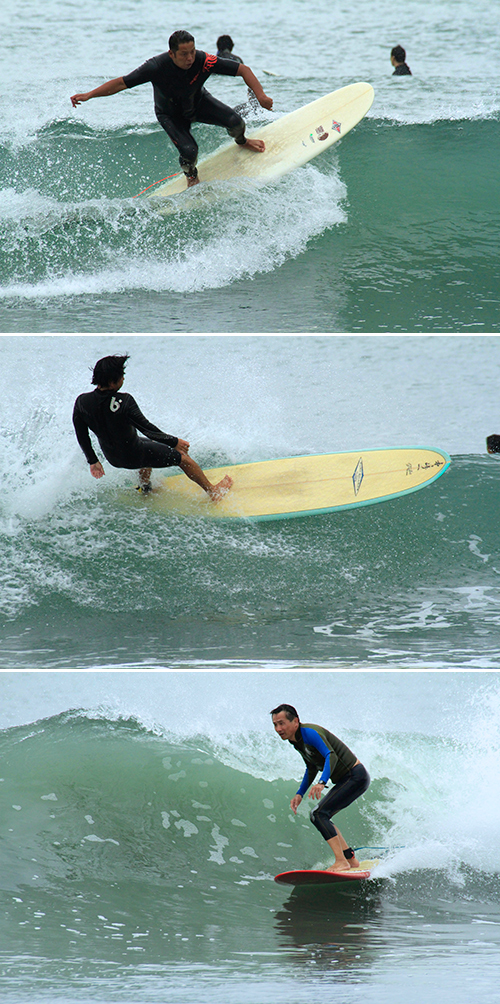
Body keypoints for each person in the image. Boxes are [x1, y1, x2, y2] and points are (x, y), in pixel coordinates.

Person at [70, 29, 273, 187]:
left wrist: (260, 95)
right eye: (184, 54)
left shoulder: (203, 60)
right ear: (172, 53)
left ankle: (242, 141)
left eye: (192, 52)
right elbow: (122, 83)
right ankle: (191, 175)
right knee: (189, 150)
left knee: (236, 123)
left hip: (199, 103)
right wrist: (89, 95)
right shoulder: (156, 66)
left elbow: (242, 69)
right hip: (170, 115)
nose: (190, 58)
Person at [72, 353, 233, 501]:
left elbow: (81, 434)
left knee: (146, 447)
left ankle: (146, 488)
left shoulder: (82, 402)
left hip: (113, 457)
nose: (123, 380)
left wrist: (93, 461)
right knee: (182, 458)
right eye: (122, 376)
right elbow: (147, 429)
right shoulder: (124, 401)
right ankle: (213, 492)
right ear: (113, 382)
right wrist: (174, 442)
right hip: (134, 455)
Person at [271, 704, 370, 873]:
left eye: (281, 723)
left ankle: (341, 861)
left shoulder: (310, 733)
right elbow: (311, 767)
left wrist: (322, 782)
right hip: (347, 779)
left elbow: (330, 755)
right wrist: (299, 793)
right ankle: (350, 860)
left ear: (295, 721)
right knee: (323, 815)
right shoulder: (296, 741)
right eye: (275, 725)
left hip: (355, 776)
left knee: (318, 814)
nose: (278, 729)